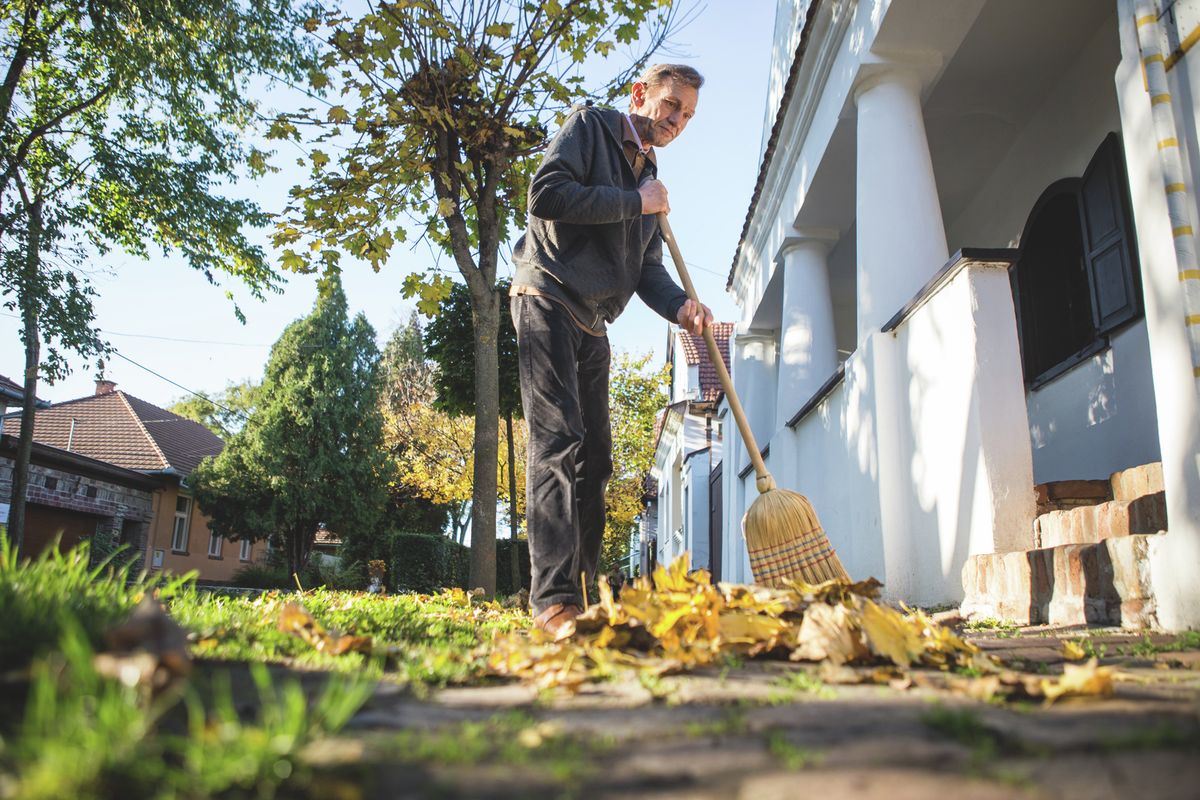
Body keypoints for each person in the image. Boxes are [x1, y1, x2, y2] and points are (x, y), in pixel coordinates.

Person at [510, 63, 713, 638]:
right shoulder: (591, 127)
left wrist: (680, 308)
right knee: (557, 439)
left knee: (596, 459)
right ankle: (552, 602)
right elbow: (546, 195)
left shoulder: (651, 178)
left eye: (688, 115)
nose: (677, 121)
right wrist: (634, 202)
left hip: (594, 322)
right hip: (546, 294)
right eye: (672, 105)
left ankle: (586, 595)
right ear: (640, 94)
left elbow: (647, 270)